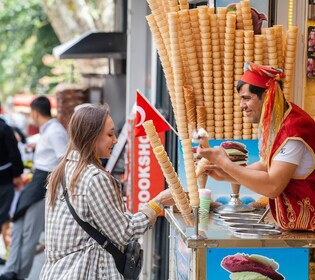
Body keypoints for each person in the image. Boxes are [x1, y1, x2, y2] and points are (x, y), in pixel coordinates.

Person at [39, 103, 174, 279]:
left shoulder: (62, 171)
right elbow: (125, 232)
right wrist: (158, 203)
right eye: (110, 134)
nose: (116, 140)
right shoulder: (94, 178)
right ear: (92, 137)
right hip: (86, 273)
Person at [198, 62, 315, 232]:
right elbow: (264, 166)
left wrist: (226, 164)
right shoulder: (276, 123)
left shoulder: (293, 131)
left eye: (246, 98)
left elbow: (272, 186)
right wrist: (224, 174)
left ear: (268, 96)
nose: (241, 106)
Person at [0, 96, 68, 280]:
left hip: (43, 183)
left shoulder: (54, 131)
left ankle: (19, 275)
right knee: (18, 227)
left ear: (36, 113)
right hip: (37, 181)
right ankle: (10, 270)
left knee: (30, 233)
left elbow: (64, 161)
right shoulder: (49, 131)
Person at [0, 118, 24, 265]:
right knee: (5, 218)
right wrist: (17, 174)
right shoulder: (4, 128)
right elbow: (14, 152)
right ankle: (9, 256)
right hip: (4, 179)